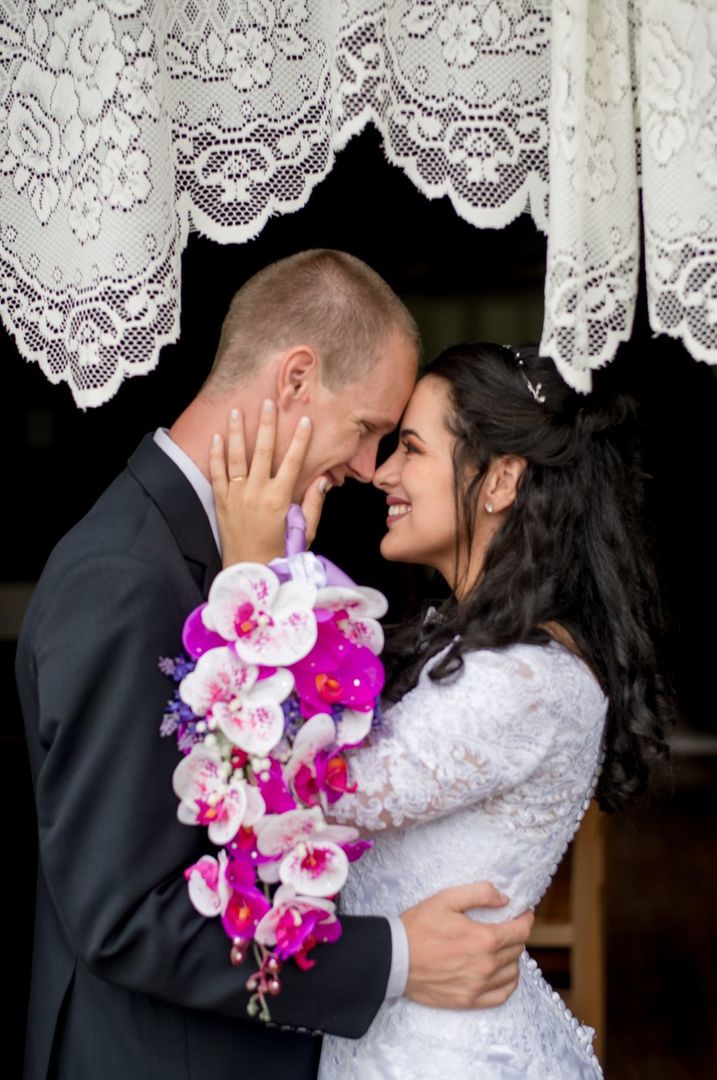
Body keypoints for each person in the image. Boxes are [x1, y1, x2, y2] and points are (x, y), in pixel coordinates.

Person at [17, 252, 533, 1080]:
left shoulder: (250, 553)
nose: (367, 468)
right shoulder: (122, 578)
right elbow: (124, 918)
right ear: (295, 379)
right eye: (365, 428)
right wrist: (396, 959)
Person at [212, 341, 671, 1078]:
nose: (382, 473)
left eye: (412, 448)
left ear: (501, 481)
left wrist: (255, 575)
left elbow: (315, 789)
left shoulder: (522, 680)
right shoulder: (465, 643)